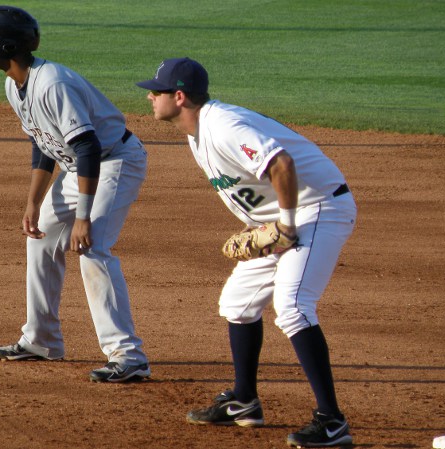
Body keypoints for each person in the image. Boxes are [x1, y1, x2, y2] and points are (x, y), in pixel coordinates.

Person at [136, 57, 356, 447]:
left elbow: (281, 164)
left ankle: (332, 421)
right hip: (280, 221)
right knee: (238, 302)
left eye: (158, 91)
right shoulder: (195, 131)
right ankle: (244, 401)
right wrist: (265, 228)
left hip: (318, 207)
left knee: (293, 305)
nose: (151, 96)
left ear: (180, 97)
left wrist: (285, 226)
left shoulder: (224, 126)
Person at [0, 5, 150, 383]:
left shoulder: (53, 84)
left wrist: (83, 216)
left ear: (8, 46)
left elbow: (87, 148)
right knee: (42, 236)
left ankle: (129, 356)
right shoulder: (14, 84)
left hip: (114, 161)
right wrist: (33, 200)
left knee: (92, 247)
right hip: (79, 165)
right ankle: (41, 339)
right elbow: (43, 142)